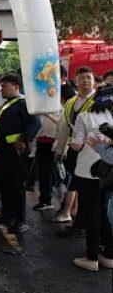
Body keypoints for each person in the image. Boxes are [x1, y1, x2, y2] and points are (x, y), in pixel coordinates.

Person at [0, 72, 41, 234]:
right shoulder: (8, 103)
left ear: (16, 87)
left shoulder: (22, 103)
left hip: (15, 152)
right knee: (5, 184)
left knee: (16, 186)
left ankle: (20, 220)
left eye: (5, 86)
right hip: (3, 151)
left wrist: (23, 139)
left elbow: (35, 123)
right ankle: (7, 214)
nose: (1, 89)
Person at [68, 85, 113, 271]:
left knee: (91, 214)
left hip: (88, 171)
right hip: (109, 172)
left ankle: (92, 257)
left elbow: (76, 146)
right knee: (106, 213)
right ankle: (109, 256)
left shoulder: (84, 117)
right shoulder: (111, 117)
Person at [56, 66, 97, 232]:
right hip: (73, 150)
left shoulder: (99, 100)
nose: (85, 81)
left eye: (89, 77)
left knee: (88, 190)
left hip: (92, 152)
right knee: (77, 186)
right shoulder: (72, 101)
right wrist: (59, 151)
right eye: (82, 78)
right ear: (76, 80)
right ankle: (78, 223)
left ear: (93, 80)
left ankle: (85, 225)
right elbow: (64, 128)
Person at [34, 109, 62, 211]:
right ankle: (44, 199)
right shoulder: (42, 104)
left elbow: (62, 123)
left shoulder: (61, 105)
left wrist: (49, 115)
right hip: (41, 140)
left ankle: (48, 200)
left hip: (53, 142)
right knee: (44, 172)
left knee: (53, 173)